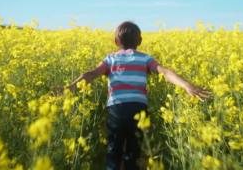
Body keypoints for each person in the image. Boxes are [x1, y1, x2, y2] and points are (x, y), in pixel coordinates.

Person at [59, 21, 211, 169]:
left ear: (115, 42)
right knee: (133, 150)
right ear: (140, 41)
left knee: (114, 149)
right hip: (138, 109)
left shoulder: (110, 59)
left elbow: (91, 74)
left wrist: (70, 87)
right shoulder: (145, 58)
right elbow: (164, 72)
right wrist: (186, 85)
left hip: (116, 109)